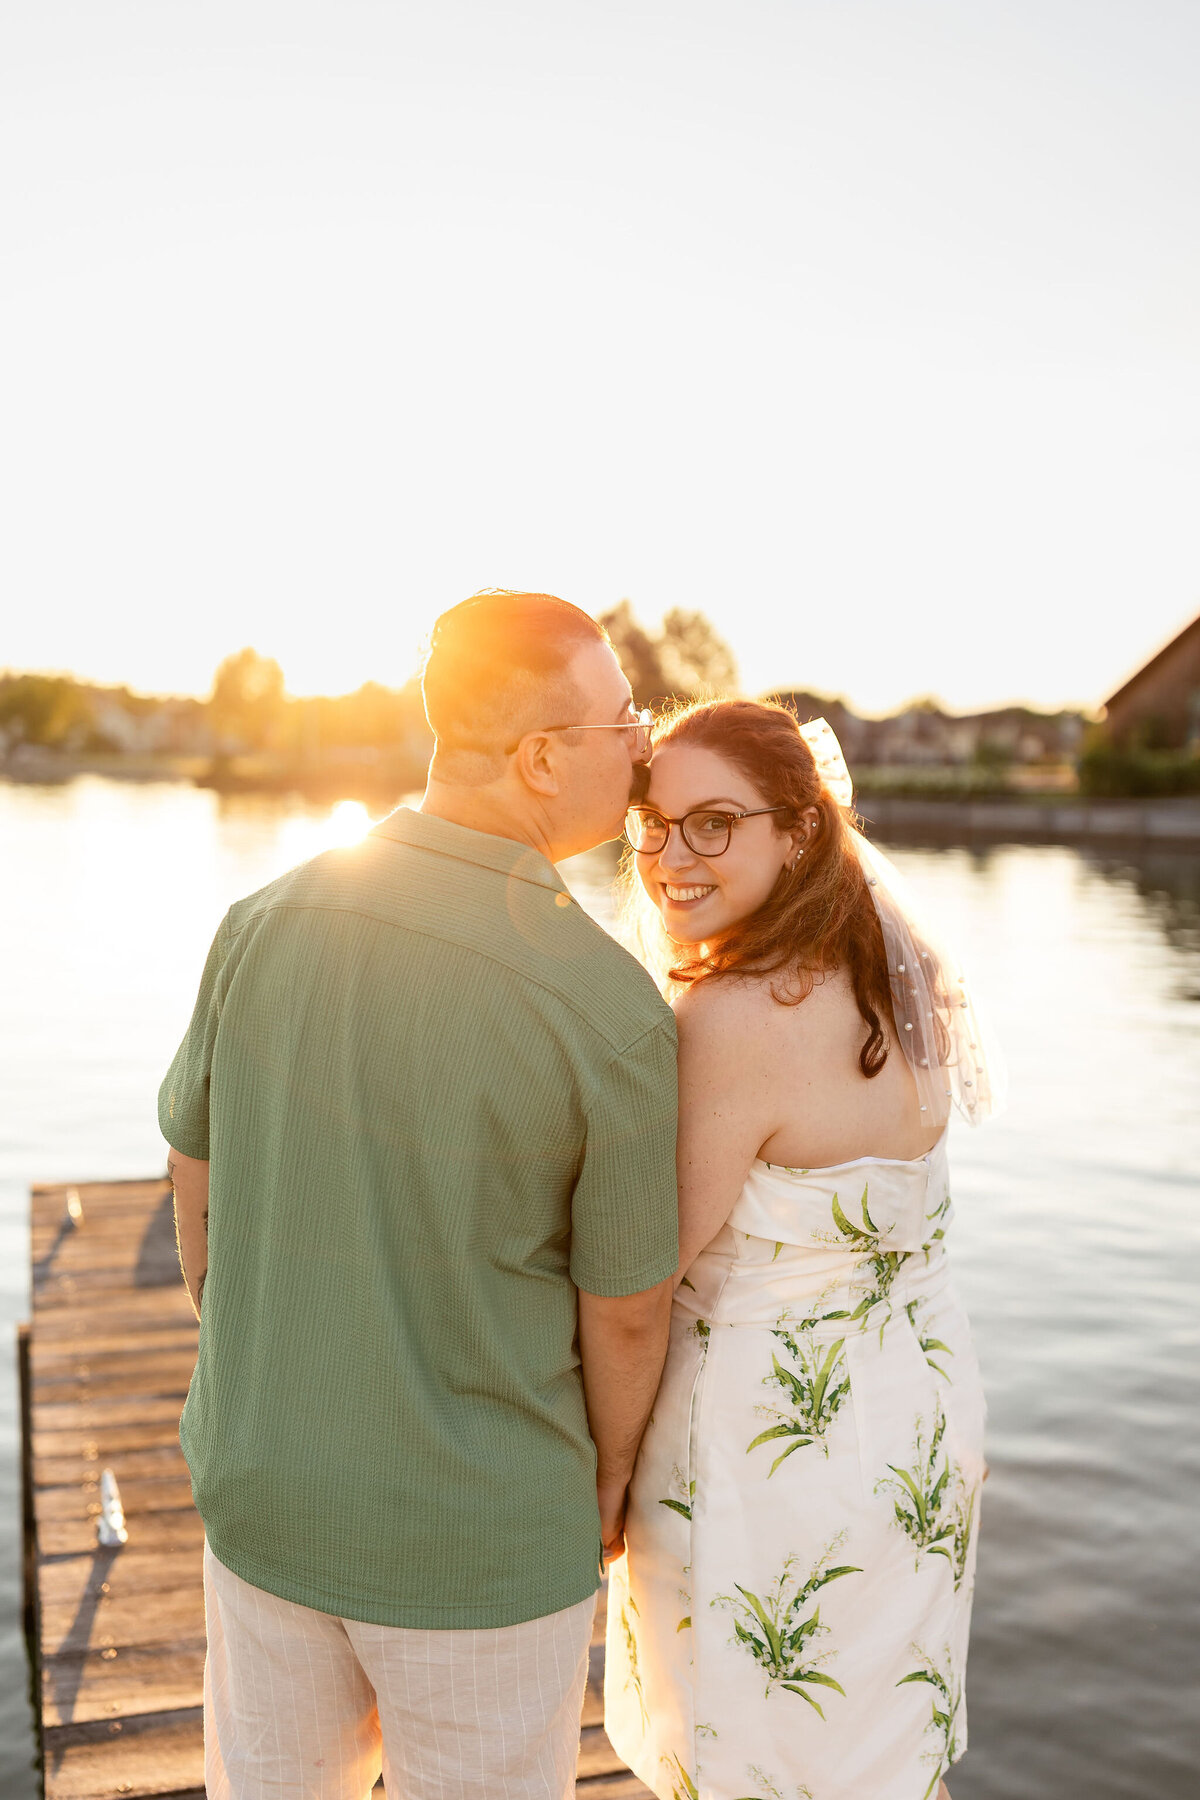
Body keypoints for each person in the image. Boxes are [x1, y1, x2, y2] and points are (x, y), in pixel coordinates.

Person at [160, 590, 678, 1800]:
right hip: (483, 1546)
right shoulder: (607, 1010)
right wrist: (600, 1495)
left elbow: (194, 1163)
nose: (644, 746)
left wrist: (239, 1352)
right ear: (543, 757)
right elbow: (629, 1312)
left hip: (266, 1495)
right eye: (624, 723)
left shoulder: (262, 921)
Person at [604, 700, 1003, 1800]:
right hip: (915, 1435)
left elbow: (642, 1281)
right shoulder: (904, 975)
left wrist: (597, 1481)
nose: (669, 858)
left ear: (799, 831)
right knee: (870, 1755)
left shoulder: (732, 1017)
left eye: (713, 823)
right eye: (652, 823)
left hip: (765, 1454)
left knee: (749, 1759)